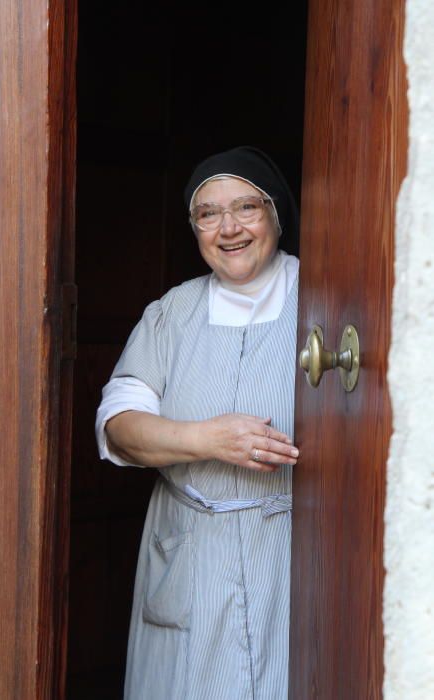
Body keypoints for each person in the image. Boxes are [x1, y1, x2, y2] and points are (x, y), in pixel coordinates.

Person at [95, 146, 300, 700]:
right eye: (208, 213)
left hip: (289, 548)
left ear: (276, 214)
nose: (228, 228)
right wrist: (208, 439)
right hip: (189, 547)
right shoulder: (170, 313)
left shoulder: (328, 303)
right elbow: (119, 426)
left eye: (246, 208)